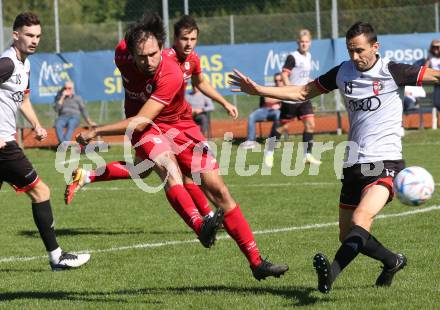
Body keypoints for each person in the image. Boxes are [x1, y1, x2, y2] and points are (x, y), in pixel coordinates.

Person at [75, 13, 288, 280]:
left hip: (179, 126)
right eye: (142, 56)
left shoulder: (172, 72)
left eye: (154, 54)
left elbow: (141, 120)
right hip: (149, 127)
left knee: (218, 189)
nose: (149, 61)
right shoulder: (121, 54)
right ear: (130, 53)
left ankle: (257, 262)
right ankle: (201, 226)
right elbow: (142, 124)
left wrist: (95, 130)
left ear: (161, 49)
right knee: (168, 168)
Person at [230, 21, 440, 292]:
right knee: (347, 235)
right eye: (350, 50)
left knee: (361, 218)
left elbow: (436, 76)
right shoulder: (343, 72)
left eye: (360, 50)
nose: (355, 57)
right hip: (353, 163)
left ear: (375, 47)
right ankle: (392, 260)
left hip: (386, 163)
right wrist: (259, 90)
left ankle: (331, 272)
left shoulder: (392, 71)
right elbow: (303, 92)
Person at [65, 15, 238, 222]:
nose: (189, 43)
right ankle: (207, 216)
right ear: (173, 39)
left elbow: (200, 83)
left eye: (193, 39)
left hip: (167, 120)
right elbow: (133, 60)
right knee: (178, 170)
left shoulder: (192, 60)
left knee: (141, 169)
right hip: (146, 119)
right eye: (184, 38)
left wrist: (224, 102)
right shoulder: (159, 58)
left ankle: (87, 175)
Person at [0, 12, 90, 271]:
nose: (34, 40)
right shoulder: (6, 64)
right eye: (29, 35)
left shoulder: (24, 64)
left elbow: (24, 99)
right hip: (4, 146)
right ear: (15, 34)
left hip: (6, 143)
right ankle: (57, 257)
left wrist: (36, 124)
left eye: (38, 36)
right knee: (41, 192)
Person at [279, 29, 321, 165]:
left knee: (310, 124)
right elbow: (284, 74)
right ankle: (269, 151)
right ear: (298, 42)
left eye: (306, 42)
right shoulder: (293, 57)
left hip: (303, 97)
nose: (304, 44)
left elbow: (302, 76)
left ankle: (307, 155)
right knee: (283, 128)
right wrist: (290, 89)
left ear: (310, 43)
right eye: (302, 42)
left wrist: (311, 81)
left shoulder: (308, 56)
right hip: (290, 98)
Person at [241, 73, 283, 168]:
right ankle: (251, 141)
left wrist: (276, 100)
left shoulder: (286, 88)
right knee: (252, 116)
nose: (278, 82)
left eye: (280, 80)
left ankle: (273, 141)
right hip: (264, 110)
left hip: (276, 111)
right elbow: (266, 99)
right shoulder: (271, 88)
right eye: (276, 80)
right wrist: (278, 99)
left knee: (279, 115)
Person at [54, 81, 96, 145]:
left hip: (74, 116)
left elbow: (83, 110)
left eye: (69, 88)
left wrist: (89, 121)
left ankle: (64, 143)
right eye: (65, 88)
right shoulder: (59, 97)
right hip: (63, 117)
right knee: (58, 124)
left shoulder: (78, 98)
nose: (67, 90)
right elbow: (56, 109)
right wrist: (62, 97)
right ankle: (64, 143)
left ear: (73, 89)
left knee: (71, 123)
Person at [425, 39, 440, 126]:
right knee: (436, 103)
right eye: (434, 47)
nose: (436, 49)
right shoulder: (430, 57)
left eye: (438, 47)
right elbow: (425, 69)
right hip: (436, 82)